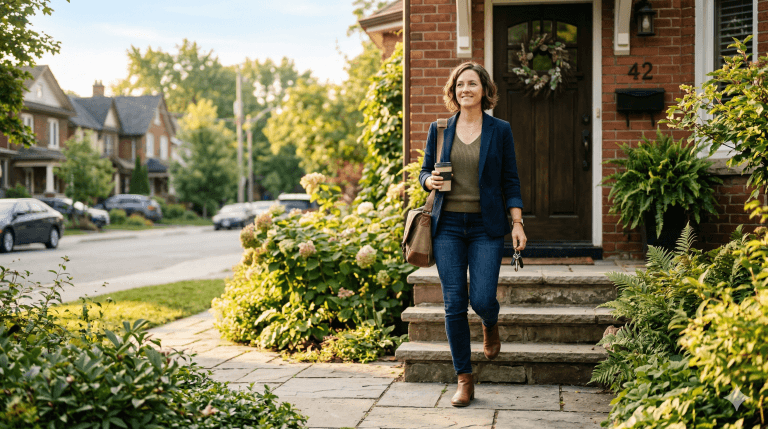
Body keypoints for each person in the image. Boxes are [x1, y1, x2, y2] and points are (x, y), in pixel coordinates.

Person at [419, 62, 527, 407]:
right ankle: (464, 379)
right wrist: (427, 181)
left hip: (486, 227)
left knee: (480, 299)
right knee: (453, 304)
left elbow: (510, 179)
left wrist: (517, 222)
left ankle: (490, 322)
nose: (465, 89)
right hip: (447, 226)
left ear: (484, 90)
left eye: (472, 84)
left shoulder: (500, 130)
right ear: (453, 91)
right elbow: (424, 171)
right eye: (460, 84)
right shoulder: (439, 129)